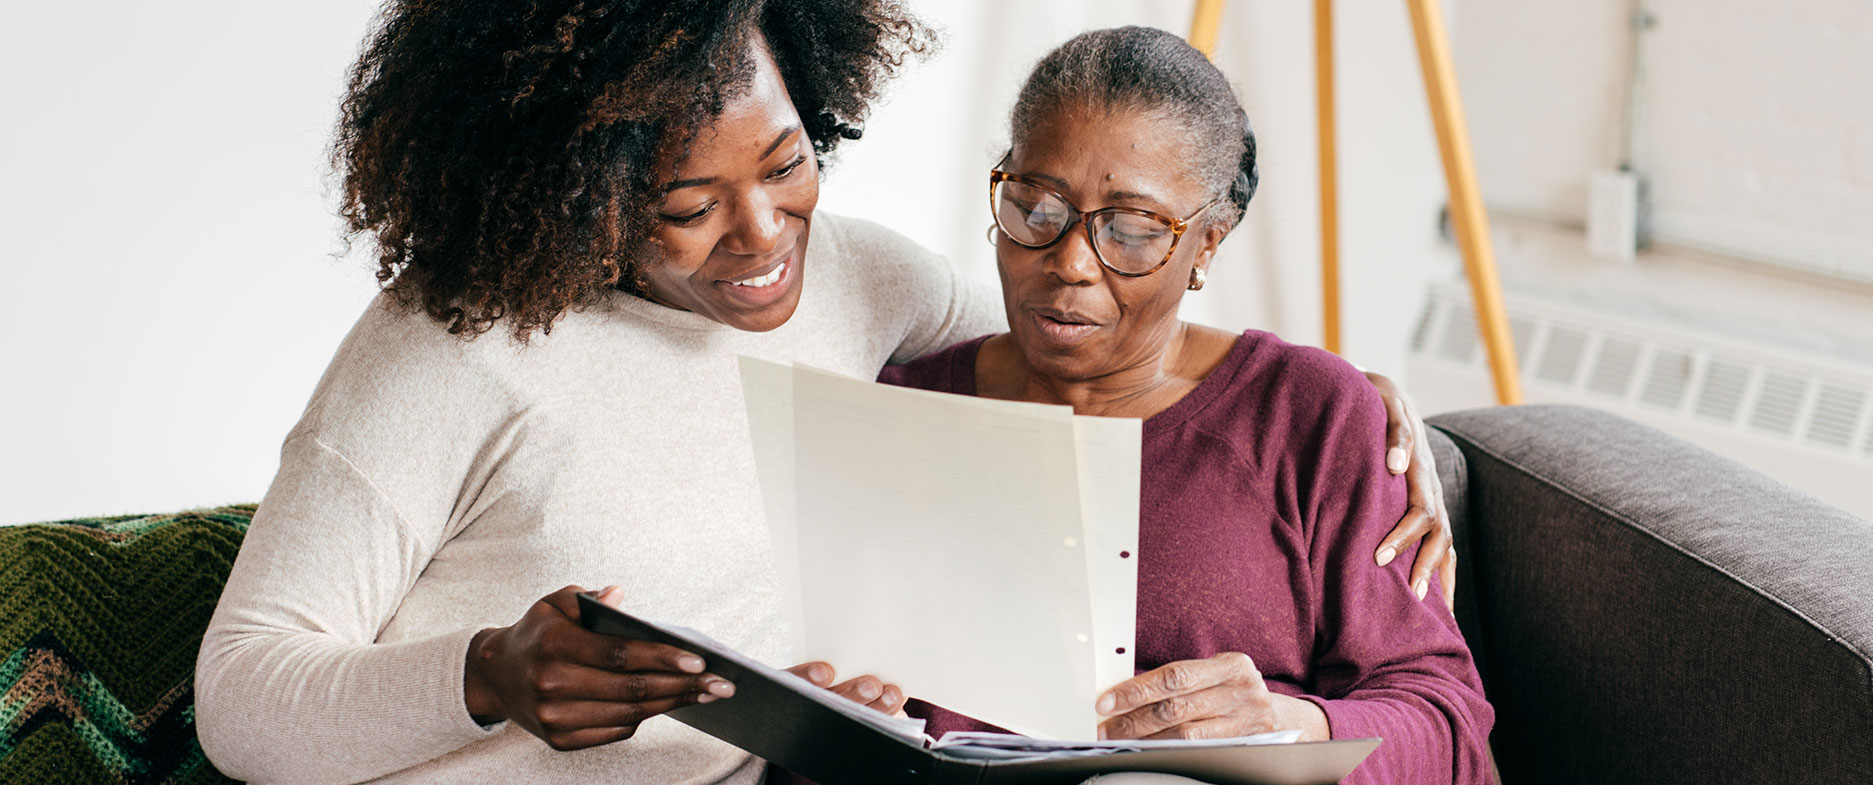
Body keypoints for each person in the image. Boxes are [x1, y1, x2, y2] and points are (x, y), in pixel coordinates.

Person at [195, 2, 1457, 783]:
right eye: (687, 207)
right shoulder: (447, 344)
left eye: (788, 163)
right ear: (575, 189)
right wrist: (483, 674)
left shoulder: (869, 288)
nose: (763, 241)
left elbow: (1097, 335)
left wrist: (1361, 405)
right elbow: (241, 701)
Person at [880, 27, 1493, 784]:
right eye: (1036, 208)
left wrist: (1292, 725)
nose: (1069, 262)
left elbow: (1448, 724)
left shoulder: (1310, 415)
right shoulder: (901, 409)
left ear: (1207, 243)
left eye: (1133, 230)